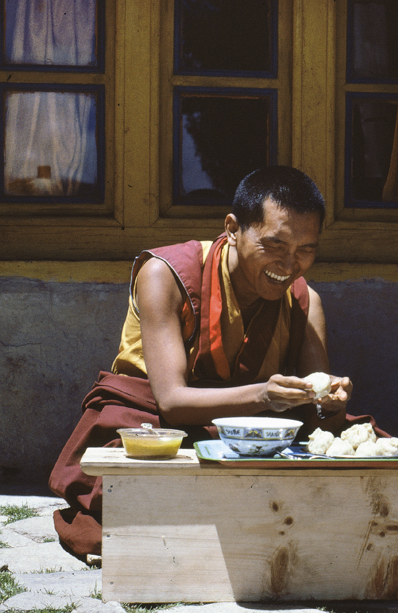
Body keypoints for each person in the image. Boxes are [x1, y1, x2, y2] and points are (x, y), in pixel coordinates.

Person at [49, 166, 355, 559]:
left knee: (363, 465)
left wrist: (332, 403)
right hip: (165, 427)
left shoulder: (304, 302)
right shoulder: (166, 275)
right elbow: (171, 401)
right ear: (233, 228)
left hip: (254, 438)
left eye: (305, 250)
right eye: (275, 245)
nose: (288, 265)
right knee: (138, 470)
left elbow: (319, 423)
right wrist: (264, 396)